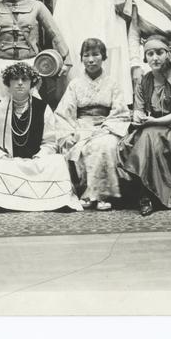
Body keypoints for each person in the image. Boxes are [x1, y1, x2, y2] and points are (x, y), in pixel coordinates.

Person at [0, 63, 82, 211]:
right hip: (8, 164)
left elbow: (50, 142)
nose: (19, 83)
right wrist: (2, 157)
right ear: (8, 83)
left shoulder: (43, 108)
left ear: (31, 83)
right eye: (15, 79)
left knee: (57, 162)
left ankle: (36, 200)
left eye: (24, 79)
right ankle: (7, 200)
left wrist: (39, 157)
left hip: (36, 164)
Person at [117, 35, 171, 216]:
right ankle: (146, 193)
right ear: (145, 58)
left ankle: (146, 195)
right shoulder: (144, 81)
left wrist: (154, 122)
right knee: (130, 141)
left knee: (150, 137)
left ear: (168, 54)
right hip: (152, 127)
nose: (154, 58)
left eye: (159, 53)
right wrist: (139, 117)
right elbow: (139, 109)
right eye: (150, 54)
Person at [55, 38, 130, 210]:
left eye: (95, 54)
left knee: (105, 145)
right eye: (86, 55)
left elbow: (120, 112)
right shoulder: (75, 85)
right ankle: (86, 192)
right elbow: (64, 113)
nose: (91, 60)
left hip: (106, 128)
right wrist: (69, 132)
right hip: (80, 127)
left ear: (103, 57)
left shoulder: (112, 84)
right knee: (78, 147)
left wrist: (105, 129)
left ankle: (99, 195)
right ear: (81, 58)